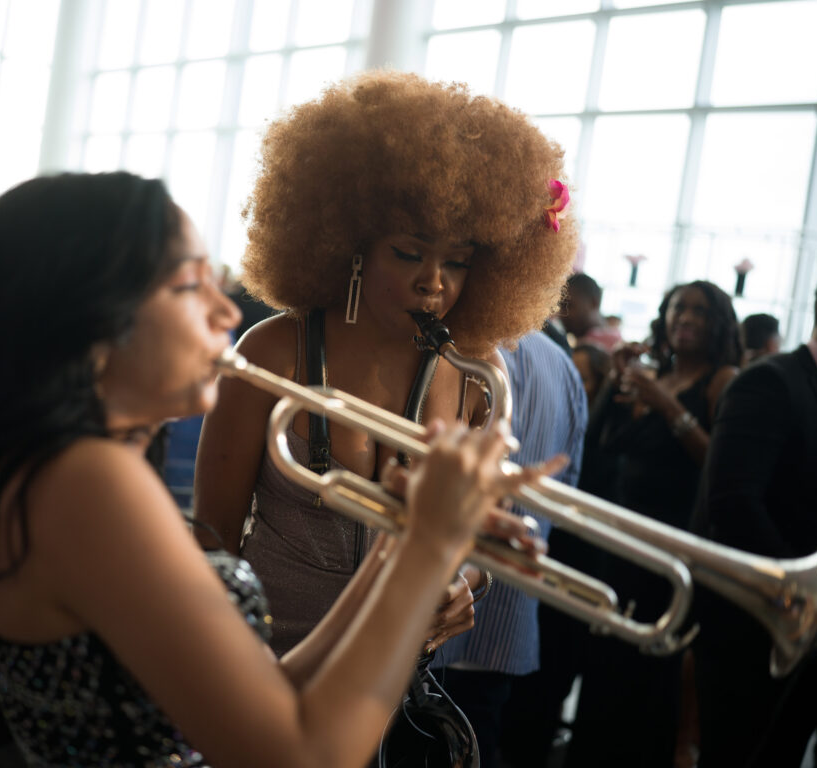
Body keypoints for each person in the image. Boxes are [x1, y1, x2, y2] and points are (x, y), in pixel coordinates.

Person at [0, 172, 549, 768]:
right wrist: (427, 551)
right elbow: (301, 756)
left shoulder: (57, 471)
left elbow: (271, 693)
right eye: (192, 285)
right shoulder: (89, 481)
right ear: (93, 321)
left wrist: (402, 544)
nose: (226, 309)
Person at [194, 70, 577, 663]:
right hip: (260, 664)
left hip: (393, 685)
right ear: (352, 244)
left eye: (458, 261)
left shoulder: (478, 373)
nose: (434, 281)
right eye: (408, 253)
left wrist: (465, 585)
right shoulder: (272, 351)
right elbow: (213, 536)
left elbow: (477, 540)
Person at [565, 280, 741, 768]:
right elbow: (600, 441)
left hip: (671, 552)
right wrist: (622, 377)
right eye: (678, 308)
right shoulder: (654, 375)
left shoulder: (722, 380)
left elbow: (716, 466)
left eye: (699, 311)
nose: (685, 318)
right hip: (621, 547)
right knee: (604, 669)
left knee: (648, 678)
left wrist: (664, 405)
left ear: (718, 323)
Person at [436, 330, 587, 766]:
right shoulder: (562, 364)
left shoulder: (444, 345)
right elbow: (565, 496)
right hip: (507, 619)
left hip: (427, 615)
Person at [689, 275, 817, 768]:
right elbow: (732, 505)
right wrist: (806, 600)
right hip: (751, 632)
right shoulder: (770, 380)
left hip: (802, 637)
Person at [559, 272, 622, 352]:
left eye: (569, 305)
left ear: (593, 303)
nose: (562, 313)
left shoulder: (610, 346)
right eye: (561, 306)